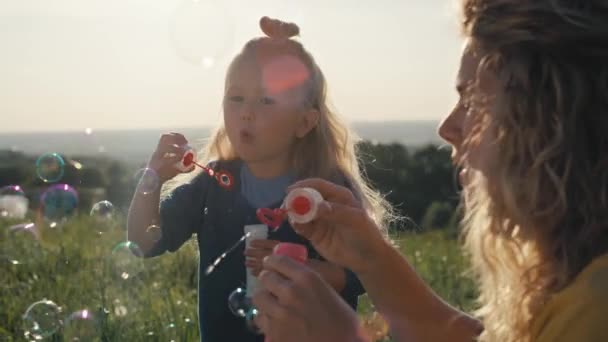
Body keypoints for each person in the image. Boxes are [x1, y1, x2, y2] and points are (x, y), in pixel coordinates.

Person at [252, 1, 608, 341]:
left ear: (548, 118)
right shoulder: (580, 283)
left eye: (473, 100)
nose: (447, 126)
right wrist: (372, 259)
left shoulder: (596, 311)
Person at [127, 17, 391, 342]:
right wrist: (153, 178)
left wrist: (305, 269)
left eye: (266, 100)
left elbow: (367, 270)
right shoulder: (213, 184)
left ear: (305, 122)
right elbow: (143, 242)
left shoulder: (326, 189)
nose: (246, 112)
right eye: (236, 98)